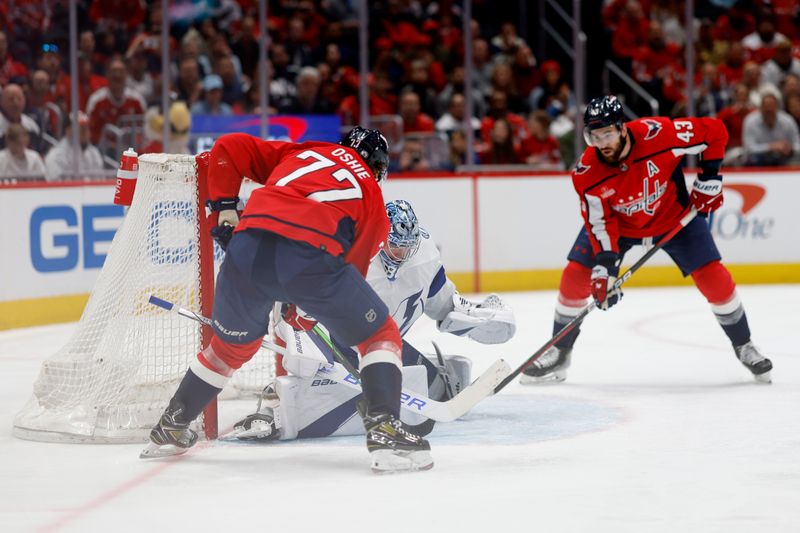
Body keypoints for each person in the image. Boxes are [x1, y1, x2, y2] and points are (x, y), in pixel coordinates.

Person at [141, 127, 435, 473]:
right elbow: (351, 269)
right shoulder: (370, 193)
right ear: (380, 168)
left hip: (246, 248)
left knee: (229, 348)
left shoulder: (305, 152)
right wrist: (307, 307)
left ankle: (172, 424)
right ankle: (385, 428)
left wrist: (223, 206)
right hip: (311, 256)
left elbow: (229, 147)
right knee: (380, 335)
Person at [520, 95, 773, 385]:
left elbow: (714, 131)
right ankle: (560, 351)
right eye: (594, 136)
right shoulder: (587, 174)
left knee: (715, 280)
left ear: (622, 128)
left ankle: (744, 344)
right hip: (621, 229)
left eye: (608, 134)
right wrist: (605, 267)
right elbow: (600, 223)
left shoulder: (659, 134)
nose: (602, 142)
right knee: (575, 276)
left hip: (674, 219)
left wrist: (710, 178)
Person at [229, 200, 516, 442]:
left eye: (406, 248)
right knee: (310, 373)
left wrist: (476, 317)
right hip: (334, 336)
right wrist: (303, 343)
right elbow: (296, 304)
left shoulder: (425, 257)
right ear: (381, 237)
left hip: (380, 344)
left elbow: (443, 304)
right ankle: (274, 410)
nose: (400, 255)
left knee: (435, 389)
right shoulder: (353, 249)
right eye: (394, 247)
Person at [43, 112, 104, 181]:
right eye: (82, 129)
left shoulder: (93, 153)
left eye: (87, 129)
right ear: (68, 131)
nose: (87, 133)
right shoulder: (56, 155)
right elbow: (55, 185)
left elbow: (99, 181)